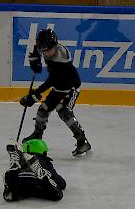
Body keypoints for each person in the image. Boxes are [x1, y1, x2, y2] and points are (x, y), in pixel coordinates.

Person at [19, 28, 91, 156]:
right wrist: (36, 58)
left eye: (48, 50)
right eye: (43, 51)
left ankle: (82, 140)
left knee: (63, 110)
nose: (46, 53)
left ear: (55, 45)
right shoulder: (45, 48)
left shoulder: (61, 58)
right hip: (59, 86)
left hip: (71, 87)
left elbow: (52, 79)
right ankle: (37, 135)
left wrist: (35, 93)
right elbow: (37, 47)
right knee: (44, 109)